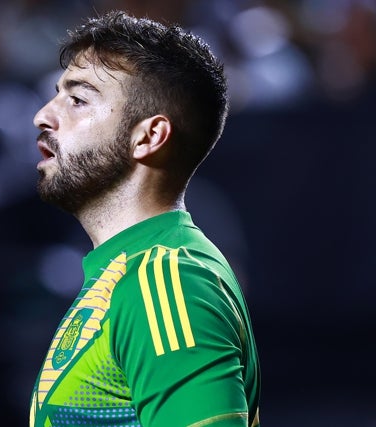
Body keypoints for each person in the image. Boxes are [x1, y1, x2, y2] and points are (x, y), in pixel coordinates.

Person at [28, 10, 261, 427]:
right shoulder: (126, 274)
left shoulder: (166, 282)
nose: (43, 116)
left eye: (78, 100)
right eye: (57, 94)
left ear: (148, 137)